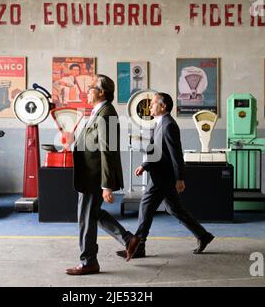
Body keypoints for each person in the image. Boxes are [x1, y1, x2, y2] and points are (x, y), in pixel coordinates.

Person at [117, 92, 215, 259]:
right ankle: (203, 235)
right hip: (160, 173)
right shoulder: (159, 123)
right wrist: (144, 165)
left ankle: (138, 247)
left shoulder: (169, 125)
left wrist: (180, 178)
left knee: (146, 207)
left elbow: (175, 154)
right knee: (174, 208)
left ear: (162, 106)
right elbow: (157, 150)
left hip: (162, 177)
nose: (150, 107)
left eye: (153, 103)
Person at [66, 74, 140, 276]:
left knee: (86, 218)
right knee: (93, 214)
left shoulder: (106, 113)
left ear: (102, 92)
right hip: (90, 176)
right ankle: (127, 239)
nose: (87, 90)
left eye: (91, 87)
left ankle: (88, 262)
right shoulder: (99, 112)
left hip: (94, 177)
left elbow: (107, 150)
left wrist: (106, 185)